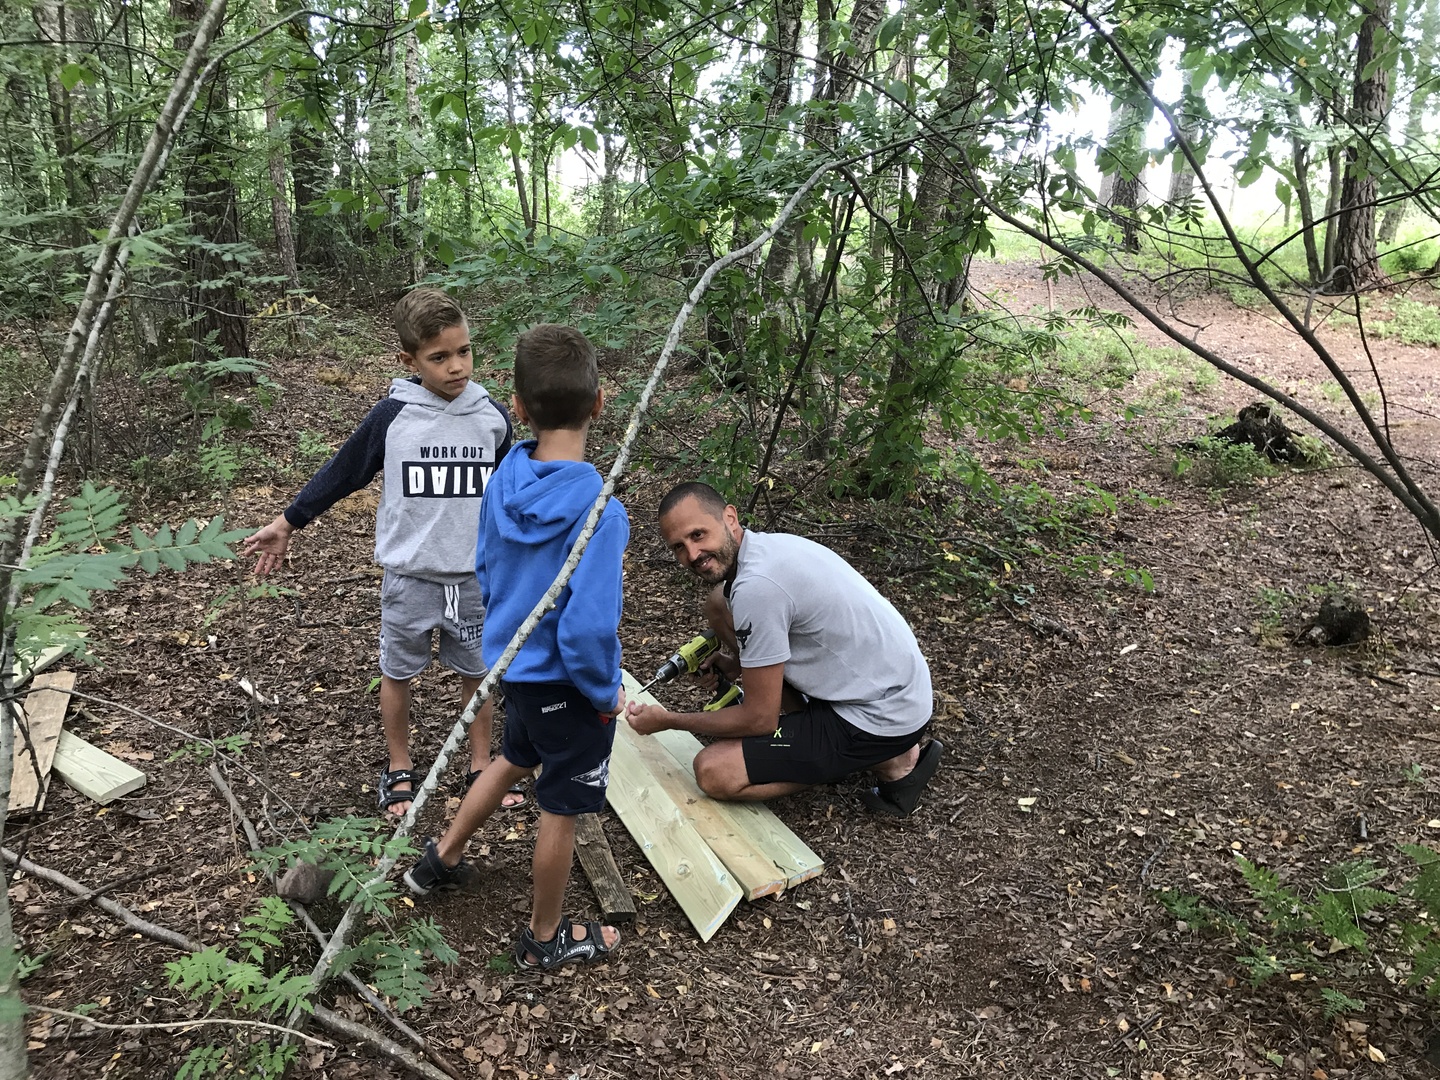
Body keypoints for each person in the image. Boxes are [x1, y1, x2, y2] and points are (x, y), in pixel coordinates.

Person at [242, 287, 523, 817]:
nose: (456, 366)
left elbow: (511, 489)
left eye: (464, 351)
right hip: (409, 576)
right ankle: (399, 765)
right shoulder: (393, 417)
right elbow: (344, 472)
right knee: (398, 671)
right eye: (439, 357)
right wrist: (288, 521)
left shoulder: (492, 418)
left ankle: (481, 764)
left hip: (474, 578)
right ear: (409, 360)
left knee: (480, 673)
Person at [403, 323, 628, 973]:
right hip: (566, 686)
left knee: (514, 757)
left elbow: (487, 566)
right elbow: (586, 631)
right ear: (599, 403)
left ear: (519, 407)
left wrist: (505, 642)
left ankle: (440, 858)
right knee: (562, 806)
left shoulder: (505, 477)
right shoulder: (601, 511)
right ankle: (545, 937)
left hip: (513, 668)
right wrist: (604, 694)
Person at [625, 482, 942, 817]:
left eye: (698, 535)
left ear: (729, 517)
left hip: (883, 715)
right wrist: (738, 664)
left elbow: (759, 720)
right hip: (892, 685)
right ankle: (816, 738)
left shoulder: (757, 589)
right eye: (679, 546)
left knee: (714, 770)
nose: (692, 555)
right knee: (719, 602)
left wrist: (669, 721)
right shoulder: (766, 549)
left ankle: (884, 759)